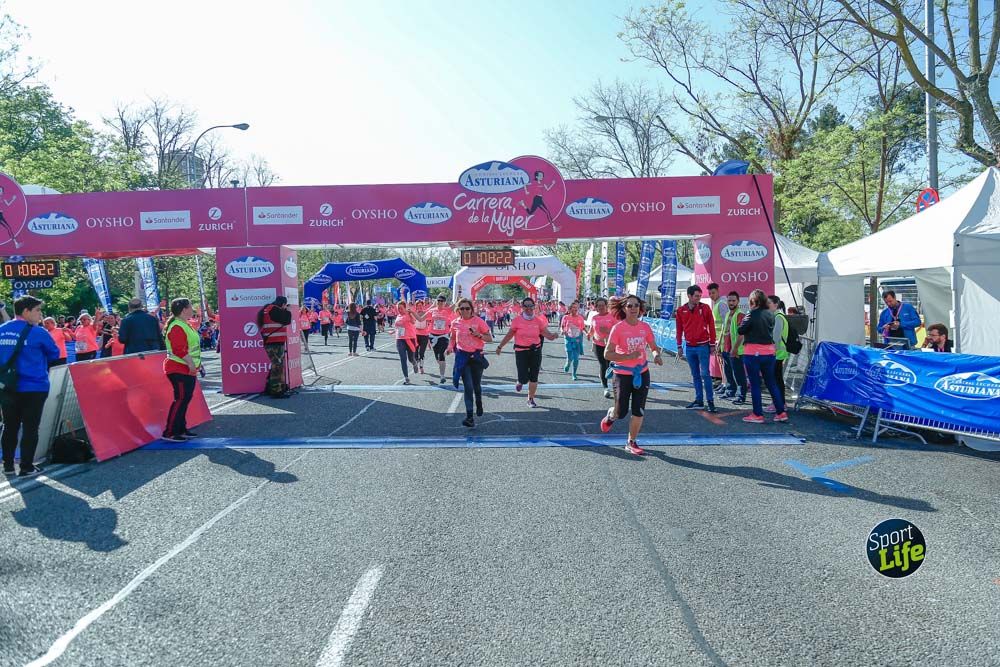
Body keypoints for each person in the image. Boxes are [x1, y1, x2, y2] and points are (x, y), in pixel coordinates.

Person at [1, 296, 60, 476]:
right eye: (37, 310)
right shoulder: (38, 332)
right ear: (26, 311)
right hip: (34, 387)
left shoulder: (2, 330)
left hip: (7, 387)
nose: (40, 314)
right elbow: (54, 354)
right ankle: (26, 467)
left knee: (9, 426)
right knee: (30, 428)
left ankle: (8, 466)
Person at [599, 295, 664, 456]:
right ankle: (611, 415)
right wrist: (628, 356)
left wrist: (656, 355)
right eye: (629, 306)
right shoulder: (618, 328)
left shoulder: (645, 327)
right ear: (624, 308)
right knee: (621, 413)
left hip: (641, 373)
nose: (633, 308)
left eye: (636, 305)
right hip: (622, 374)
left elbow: (653, 346)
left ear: (640, 308)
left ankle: (631, 441)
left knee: (638, 410)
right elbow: (607, 354)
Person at [495, 297, 557, 408]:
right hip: (521, 352)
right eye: (526, 306)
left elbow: (548, 335)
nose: (528, 308)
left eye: (531, 306)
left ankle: (530, 399)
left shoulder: (538, 321)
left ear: (534, 307)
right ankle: (520, 381)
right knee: (523, 378)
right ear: (522, 307)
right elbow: (509, 335)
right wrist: (500, 346)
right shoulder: (517, 321)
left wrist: (553, 336)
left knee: (534, 376)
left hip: (535, 351)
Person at [738, 289, 788, 424]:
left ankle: (757, 414)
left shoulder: (751, 314)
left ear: (753, 301)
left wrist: (747, 318)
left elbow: (741, 330)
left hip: (752, 352)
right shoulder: (771, 315)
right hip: (769, 353)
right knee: (771, 383)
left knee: (755, 384)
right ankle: (781, 412)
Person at [161, 298, 203, 442]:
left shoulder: (184, 324)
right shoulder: (177, 326)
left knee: (184, 399)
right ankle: (170, 432)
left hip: (185, 367)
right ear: (184, 309)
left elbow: (191, 348)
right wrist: (191, 365)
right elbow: (179, 350)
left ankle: (180, 429)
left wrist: (197, 364)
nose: (192, 309)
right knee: (180, 400)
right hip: (179, 368)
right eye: (190, 307)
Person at [448, 297, 493, 427]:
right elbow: (452, 338)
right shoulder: (455, 323)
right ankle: (469, 417)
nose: (465, 311)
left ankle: (479, 403)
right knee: (468, 386)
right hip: (463, 357)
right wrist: (450, 347)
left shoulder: (479, 321)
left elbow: (489, 338)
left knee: (476, 385)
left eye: (467, 308)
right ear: (458, 310)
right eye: (462, 308)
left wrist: (479, 335)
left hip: (476, 357)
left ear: (471, 309)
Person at [675, 285, 717, 413]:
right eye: (696, 296)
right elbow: (679, 329)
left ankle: (710, 401)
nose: (698, 298)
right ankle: (699, 400)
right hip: (689, 347)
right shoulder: (681, 310)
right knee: (695, 375)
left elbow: (711, 326)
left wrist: (712, 344)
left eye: (700, 296)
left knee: (705, 374)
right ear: (689, 296)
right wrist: (679, 346)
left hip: (703, 346)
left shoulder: (705, 308)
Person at [258, 296, 292, 398]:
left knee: (276, 365)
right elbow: (287, 319)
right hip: (274, 342)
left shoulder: (269, 309)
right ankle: (276, 391)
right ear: (283, 304)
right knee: (277, 366)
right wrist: (288, 311)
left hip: (273, 342)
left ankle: (270, 387)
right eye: (285, 305)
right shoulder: (274, 309)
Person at [719, 292, 747, 404]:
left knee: (739, 374)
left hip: (736, 351)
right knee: (728, 372)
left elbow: (741, 334)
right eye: (729, 300)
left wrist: (735, 349)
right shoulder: (727, 314)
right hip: (726, 349)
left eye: (733, 301)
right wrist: (720, 345)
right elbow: (724, 331)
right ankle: (730, 391)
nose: (731, 303)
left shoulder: (740, 315)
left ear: (738, 301)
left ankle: (741, 395)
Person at [586, 297, 617, 399]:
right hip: (597, 344)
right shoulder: (594, 318)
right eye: (599, 306)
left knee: (609, 365)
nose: (601, 307)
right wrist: (589, 334)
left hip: (610, 345)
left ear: (606, 306)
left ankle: (605, 377)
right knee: (603, 364)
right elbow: (592, 329)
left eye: (603, 305)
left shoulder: (612, 317)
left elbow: (618, 331)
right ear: (596, 307)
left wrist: (608, 331)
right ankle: (606, 388)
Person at [767, 296, 790, 412]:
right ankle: (781, 403)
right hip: (778, 353)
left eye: (769, 303)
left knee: (775, 380)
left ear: (776, 304)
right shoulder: (778, 316)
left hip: (777, 353)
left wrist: (772, 352)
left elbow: (775, 338)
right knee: (777, 379)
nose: (766, 305)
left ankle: (778, 403)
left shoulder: (778, 317)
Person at [428, 295, 455, 383]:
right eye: (438, 300)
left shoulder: (447, 310)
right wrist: (411, 313)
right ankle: (441, 365)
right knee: (437, 357)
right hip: (433, 336)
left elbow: (456, 303)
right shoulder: (432, 310)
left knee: (441, 355)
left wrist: (459, 293)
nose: (440, 302)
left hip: (444, 336)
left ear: (445, 302)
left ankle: (442, 376)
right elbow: (421, 318)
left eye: (442, 301)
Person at [393, 301, 418, 384]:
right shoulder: (398, 316)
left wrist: (410, 314)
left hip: (410, 339)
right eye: (398, 308)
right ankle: (406, 378)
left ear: (405, 308)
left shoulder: (408, 314)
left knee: (411, 358)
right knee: (403, 359)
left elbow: (413, 322)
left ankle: (414, 363)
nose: (399, 310)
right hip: (400, 339)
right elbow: (397, 327)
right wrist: (393, 331)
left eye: (401, 308)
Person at [560, 300, 586, 380]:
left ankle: (574, 374)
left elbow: (583, 328)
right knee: (570, 357)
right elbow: (562, 327)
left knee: (576, 358)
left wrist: (587, 334)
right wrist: (562, 331)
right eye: (573, 307)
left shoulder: (580, 318)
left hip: (577, 339)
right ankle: (568, 363)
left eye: (576, 307)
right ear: (570, 309)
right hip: (568, 339)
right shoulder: (565, 317)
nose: (575, 309)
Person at [707, 283, 726, 389]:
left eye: (713, 293)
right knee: (721, 362)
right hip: (718, 339)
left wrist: (721, 339)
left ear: (718, 291)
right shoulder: (716, 304)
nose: (711, 295)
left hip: (722, 340)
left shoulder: (721, 304)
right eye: (710, 293)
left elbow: (725, 323)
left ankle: (725, 384)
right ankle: (723, 383)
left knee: (723, 363)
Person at [412, 299, 430, 373]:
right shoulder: (414, 313)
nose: (419, 307)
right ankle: (416, 364)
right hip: (415, 335)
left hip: (424, 335)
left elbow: (429, 322)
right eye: (418, 305)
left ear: (423, 306)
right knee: (415, 352)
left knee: (421, 352)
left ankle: (421, 367)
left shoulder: (426, 313)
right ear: (416, 306)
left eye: (421, 305)